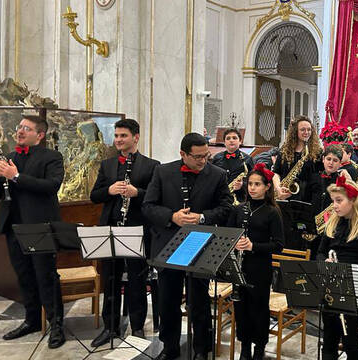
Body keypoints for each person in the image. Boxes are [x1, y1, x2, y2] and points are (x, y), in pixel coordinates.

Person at [142, 133, 233, 360]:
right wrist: (172, 216)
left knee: (199, 303)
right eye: (197, 157)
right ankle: (169, 347)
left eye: (206, 156)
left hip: (200, 245)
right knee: (168, 302)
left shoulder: (218, 175)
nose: (203, 161)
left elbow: (226, 208)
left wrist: (202, 217)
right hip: (168, 245)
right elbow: (148, 206)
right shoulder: (162, 172)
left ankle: (201, 349)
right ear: (182, 154)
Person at [89, 119, 160, 347]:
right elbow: (95, 195)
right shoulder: (107, 164)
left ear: (136, 137)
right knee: (110, 279)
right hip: (110, 228)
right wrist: (109, 190)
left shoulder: (152, 165)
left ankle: (137, 327)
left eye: (123, 136)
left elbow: (156, 197)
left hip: (137, 229)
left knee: (137, 280)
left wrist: (136, 192)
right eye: (117, 136)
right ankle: (110, 326)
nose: (119, 140)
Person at [0, 116, 66, 349]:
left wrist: (15, 176)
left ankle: (56, 325)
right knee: (24, 276)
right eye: (19, 127)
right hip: (13, 226)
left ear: (40, 134)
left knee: (46, 276)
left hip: (39, 226)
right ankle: (32, 320)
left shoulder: (52, 157)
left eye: (26, 128)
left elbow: (51, 187)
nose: (20, 131)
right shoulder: (10, 158)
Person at [317, 176, 358, 360]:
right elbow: (320, 252)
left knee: (351, 343)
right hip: (331, 290)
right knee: (328, 341)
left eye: (339, 201)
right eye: (333, 201)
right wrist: (325, 264)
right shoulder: (332, 223)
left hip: (355, 291)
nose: (335, 206)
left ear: (353, 200)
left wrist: (351, 277)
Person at [227, 163, 284, 360]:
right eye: (250, 184)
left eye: (257, 184)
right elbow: (229, 236)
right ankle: (244, 348)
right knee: (240, 309)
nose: (252, 188)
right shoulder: (239, 209)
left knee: (258, 309)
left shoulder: (272, 212)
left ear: (267, 187)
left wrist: (253, 246)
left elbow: (278, 245)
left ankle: (259, 348)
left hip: (260, 268)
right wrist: (235, 244)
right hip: (239, 267)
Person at [309, 144, 351, 258]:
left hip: (333, 229)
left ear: (340, 163)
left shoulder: (342, 180)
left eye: (335, 160)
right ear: (323, 159)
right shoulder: (314, 178)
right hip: (313, 228)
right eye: (328, 159)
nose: (331, 163)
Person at [272, 116, 321, 202]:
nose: (306, 132)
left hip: (307, 198)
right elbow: (276, 172)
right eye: (303, 129)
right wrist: (278, 188)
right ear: (295, 132)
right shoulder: (284, 151)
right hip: (284, 196)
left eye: (309, 130)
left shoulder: (317, 152)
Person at [212, 128, 254, 204]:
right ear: (224, 142)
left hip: (240, 198)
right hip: (220, 199)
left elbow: (253, 179)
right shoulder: (216, 158)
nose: (231, 140)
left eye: (234, 138)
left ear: (240, 141)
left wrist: (242, 185)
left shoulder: (247, 159)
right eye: (228, 138)